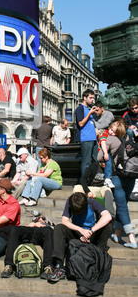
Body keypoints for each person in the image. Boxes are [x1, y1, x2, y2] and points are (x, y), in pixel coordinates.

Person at [47, 192, 113, 283]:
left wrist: (91, 231)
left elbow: (108, 216)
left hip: (92, 234)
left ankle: (99, 258)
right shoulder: (70, 202)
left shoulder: (92, 202)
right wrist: (80, 230)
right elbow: (64, 221)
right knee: (59, 228)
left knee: (108, 225)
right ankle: (59, 266)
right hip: (77, 234)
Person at [97, 120, 137, 248]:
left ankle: (131, 238)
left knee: (121, 206)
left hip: (117, 176)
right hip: (131, 175)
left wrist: (106, 153)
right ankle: (117, 234)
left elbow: (99, 157)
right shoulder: (130, 139)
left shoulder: (111, 139)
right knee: (123, 204)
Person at [0, 214, 54, 279]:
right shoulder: (31, 223)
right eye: (39, 218)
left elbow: (53, 230)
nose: (40, 219)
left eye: (42, 219)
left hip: (42, 231)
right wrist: (31, 225)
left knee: (48, 230)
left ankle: (48, 267)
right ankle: (9, 266)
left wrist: (44, 225)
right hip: (29, 230)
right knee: (14, 229)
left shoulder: (49, 225)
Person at [75, 89, 98, 175]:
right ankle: (85, 181)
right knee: (86, 162)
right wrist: (89, 113)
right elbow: (80, 123)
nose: (92, 100)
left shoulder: (88, 109)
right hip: (86, 138)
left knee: (95, 160)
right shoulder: (80, 108)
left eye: (93, 98)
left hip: (93, 138)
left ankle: (92, 179)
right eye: (90, 98)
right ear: (85, 98)